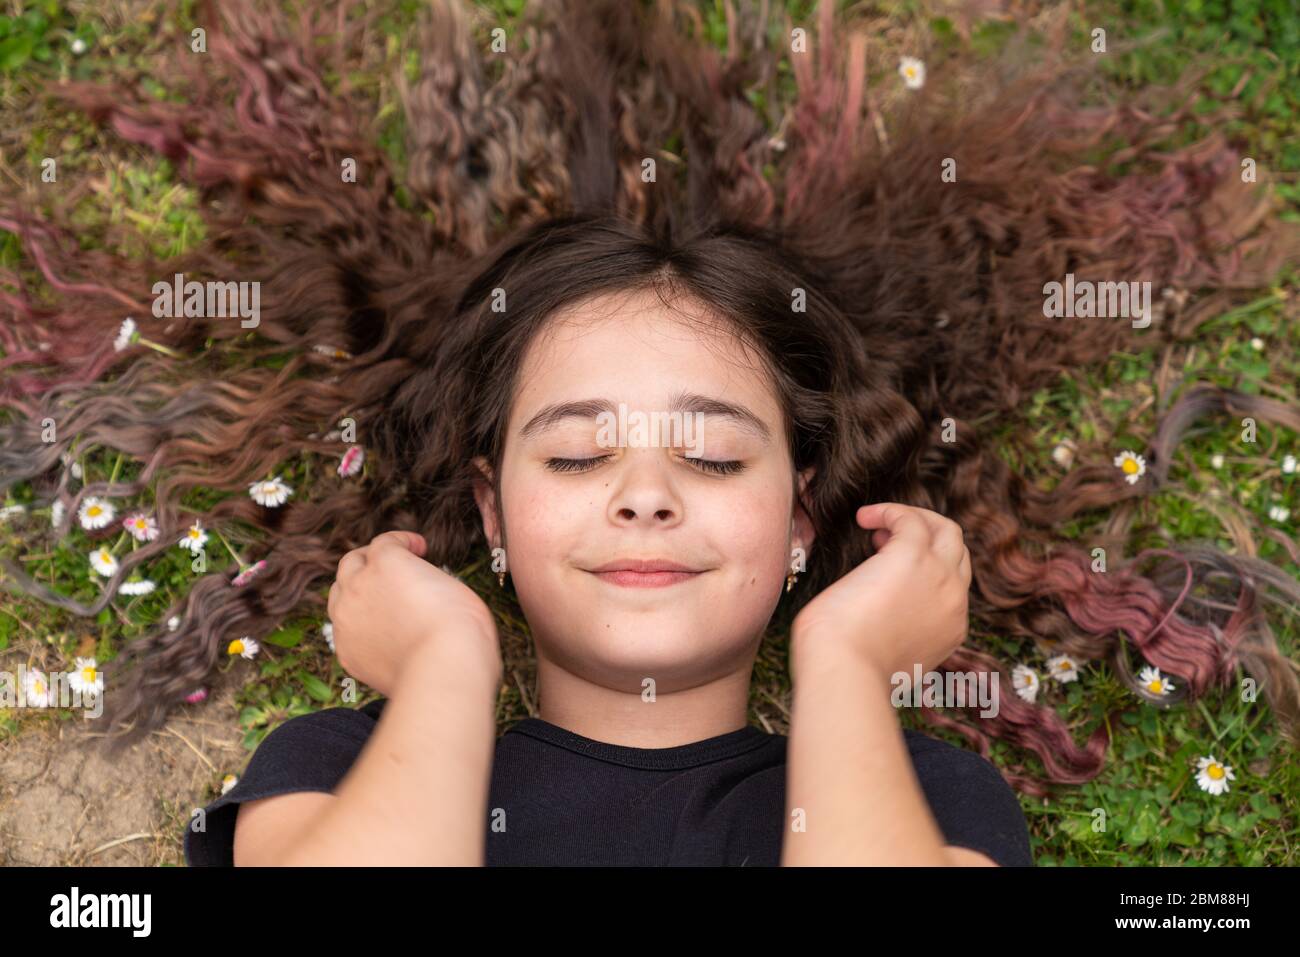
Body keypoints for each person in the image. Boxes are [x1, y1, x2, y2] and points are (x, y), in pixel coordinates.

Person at [185, 269, 1034, 866]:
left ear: (799, 519)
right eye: (578, 455)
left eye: (714, 456)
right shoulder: (336, 763)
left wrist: (846, 660)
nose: (645, 496)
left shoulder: (927, 794)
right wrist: (446, 661)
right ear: (494, 515)